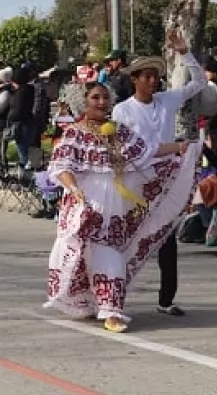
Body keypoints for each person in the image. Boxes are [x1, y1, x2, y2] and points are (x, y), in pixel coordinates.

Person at [46, 82, 201, 333]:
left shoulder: (119, 132)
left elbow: (148, 151)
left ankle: (111, 310)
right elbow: (61, 166)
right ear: (83, 102)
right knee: (82, 255)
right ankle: (95, 303)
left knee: (110, 256)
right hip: (87, 205)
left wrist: (180, 147)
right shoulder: (74, 133)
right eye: (95, 97)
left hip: (116, 207)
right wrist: (74, 190)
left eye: (105, 97)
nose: (101, 102)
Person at [110, 33, 203, 317]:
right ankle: (112, 297)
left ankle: (166, 299)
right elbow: (126, 148)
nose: (153, 81)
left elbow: (199, 83)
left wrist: (186, 54)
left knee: (167, 239)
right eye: (147, 76)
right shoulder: (123, 110)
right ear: (134, 79)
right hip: (137, 181)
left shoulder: (167, 100)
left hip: (167, 179)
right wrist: (169, 148)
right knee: (126, 240)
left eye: (156, 76)